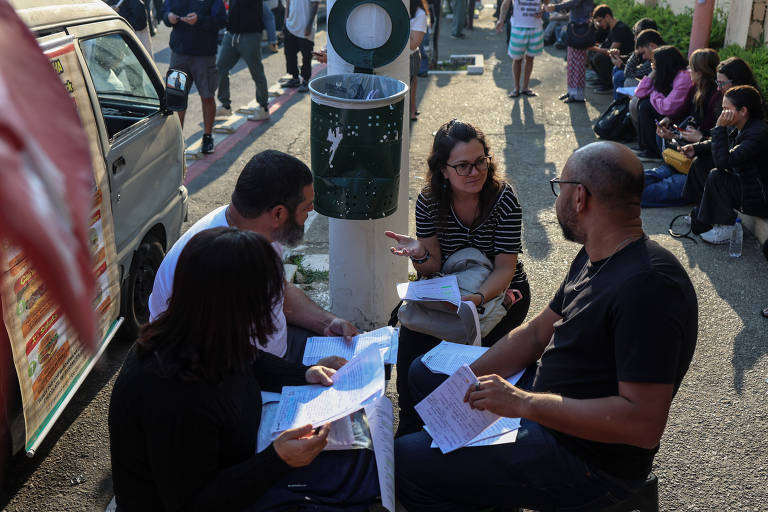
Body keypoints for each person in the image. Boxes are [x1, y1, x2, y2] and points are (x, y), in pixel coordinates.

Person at [395, 141, 698, 511]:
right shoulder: (597, 253)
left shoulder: (648, 288)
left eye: (560, 187)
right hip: (549, 405)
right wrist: (465, 382)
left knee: (404, 461)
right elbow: (537, 332)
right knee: (423, 374)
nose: (556, 200)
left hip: (586, 461)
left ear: (579, 198)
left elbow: (643, 424)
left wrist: (523, 404)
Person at [109, 227, 371, 510]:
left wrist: (305, 373)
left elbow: (249, 359)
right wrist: (277, 460)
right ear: (236, 305)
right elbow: (195, 501)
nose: (271, 308)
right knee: (349, 485)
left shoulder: (202, 330)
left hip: (243, 462)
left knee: (360, 460)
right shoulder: (173, 393)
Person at [385, 120, 530, 437]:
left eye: (480, 162)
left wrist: (475, 301)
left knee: (472, 371)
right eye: (462, 166)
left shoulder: (503, 200)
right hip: (448, 292)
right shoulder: (429, 201)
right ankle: (411, 429)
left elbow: (505, 268)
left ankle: (465, 431)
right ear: (443, 170)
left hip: (500, 296)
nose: (474, 172)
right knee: (411, 351)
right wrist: (419, 253)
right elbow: (431, 266)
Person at [149, 150, 358, 362]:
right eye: (306, 207)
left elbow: (279, 290)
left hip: (275, 352)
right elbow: (220, 362)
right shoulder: (213, 263)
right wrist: (301, 376)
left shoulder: (260, 227)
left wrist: (327, 323)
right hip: (236, 373)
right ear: (278, 214)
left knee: (362, 358)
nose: (311, 212)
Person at [681, 85, 768, 244]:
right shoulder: (739, 125)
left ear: (743, 111)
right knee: (701, 163)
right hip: (745, 185)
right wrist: (696, 148)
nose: (723, 114)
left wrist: (720, 127)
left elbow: (723, 162)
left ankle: (727, 227)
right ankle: (702, 214)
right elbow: (719, 143)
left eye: (727, 109)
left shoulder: (758, 133)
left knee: (717, 175)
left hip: (760, 198)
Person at [642, 48, 722, 207]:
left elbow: (719, 144)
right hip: (682, 160)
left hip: (697, 169)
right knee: (632, 179)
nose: (688, 71)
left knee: (641, 193)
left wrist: (700, 139)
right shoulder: (696, 89)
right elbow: (684, 111)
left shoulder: (718, 99)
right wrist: (669, 121)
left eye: (691, 67)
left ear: (700, 72)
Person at [163, 0, 226, 154]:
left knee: (207, 95)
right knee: (176, 98)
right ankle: (177, 139)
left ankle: (208, 136)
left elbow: (221, 21)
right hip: (179, 54)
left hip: (204, 56)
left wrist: (199, 21)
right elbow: (164, 13)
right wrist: (168, 17)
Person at [633, 45, 692, 161]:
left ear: (665, 64)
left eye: (655, 64)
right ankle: (645, 146)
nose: (653, 66)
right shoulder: (667, 74)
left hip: (680, 114)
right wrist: (653, 73)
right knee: (642, 102)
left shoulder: (683, 77)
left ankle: (653, 151)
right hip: (670, 110)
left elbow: (667, 108)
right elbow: (639, 93)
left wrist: (653, 93)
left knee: (645, 106)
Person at [215, 0, 272, 122]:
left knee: (257, 72)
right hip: (231, 34)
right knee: (220, 68)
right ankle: (225, 106)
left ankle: (263, 108)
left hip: (250, 35)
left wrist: (272, 39)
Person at [544, 0, 595, 103]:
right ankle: (571, 91)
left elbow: (573, 3)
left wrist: (555, 7)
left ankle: (577, 95)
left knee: (578, 65)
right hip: (575, 28)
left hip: (580, 29)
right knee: (571, 62)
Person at [495, 0, 545, 98]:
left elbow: (547, 3)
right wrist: (501, 20)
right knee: (517, 59)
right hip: (518, 27)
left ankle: (525, 87)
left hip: (535, 27)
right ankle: (516, 88)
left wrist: (542, 10)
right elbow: (505, 4)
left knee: (530, 58)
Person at [588, 4, 633, 94]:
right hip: (614, 57)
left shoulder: (620, 29)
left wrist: (593, 48)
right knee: (593, 53)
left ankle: (608, 84)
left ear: (607, 16)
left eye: (600, 21)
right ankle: (602, 79)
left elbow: (611, 51)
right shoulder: (609, 28)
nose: (599, 24)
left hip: (622, 58)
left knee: (599, 58)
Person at [609, 18, 656, 101]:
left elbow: (631, 73)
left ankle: (620, 105)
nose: (634, 37)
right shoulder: (647, 46)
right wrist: (618, 56)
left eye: (637, 33)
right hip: (646, 81)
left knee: (620, 76)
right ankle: (618, 102)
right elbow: (630, 59)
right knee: (617, 69)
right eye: (634, 32)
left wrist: (621, 64)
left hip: (654, 89)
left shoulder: (653, 50)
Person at [282, 0, 320, 93]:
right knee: (289, 53)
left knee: (306, 56)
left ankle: (306, 81)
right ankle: (295, 79)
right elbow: (288, 2)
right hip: (291, 25)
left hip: (305, 28)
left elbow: (315, 5)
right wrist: (286, 19)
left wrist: (309, 26)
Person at [409, 0, 428, 121]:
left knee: (411, 84)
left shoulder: (419, 14)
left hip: (410, 57)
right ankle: (412, 108)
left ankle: (412, 109)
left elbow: (413, 44)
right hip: (393, 57)